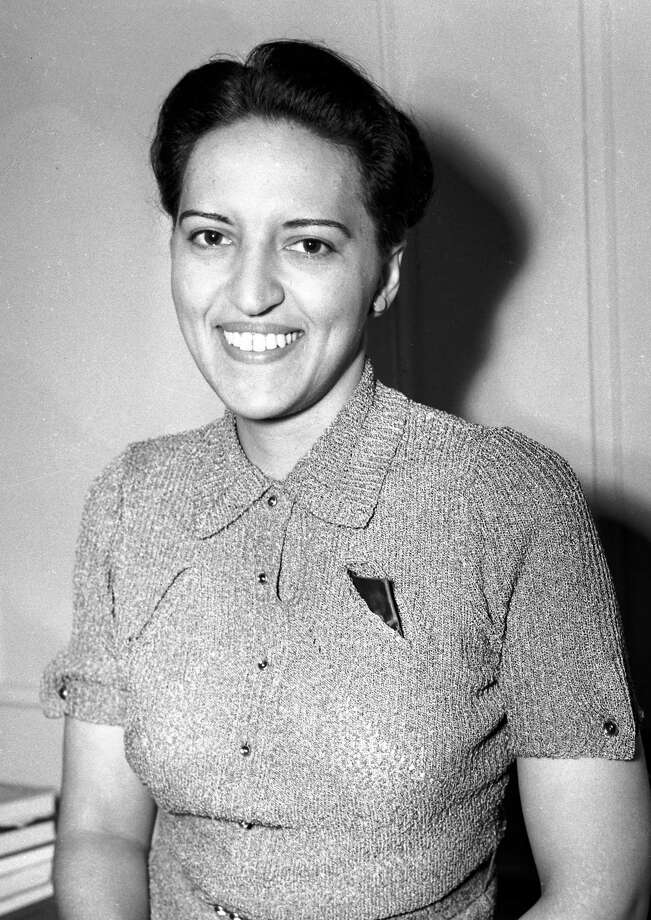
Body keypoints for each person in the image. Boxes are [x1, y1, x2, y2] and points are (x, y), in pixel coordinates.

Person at [41, 39, 650, 920]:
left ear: (385, 271)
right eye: (211, 236)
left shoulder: (508, 502)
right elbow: (100, 831)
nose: (249, 292)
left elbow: (605, 888)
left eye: (310, 245)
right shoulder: (134, 498)